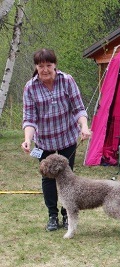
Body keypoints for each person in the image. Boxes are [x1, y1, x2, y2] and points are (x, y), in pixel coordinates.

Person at [21, 48, 91, 231]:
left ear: (55, 65)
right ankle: (52, 215)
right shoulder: (30, 87)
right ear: (36, 66)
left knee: (68, 177)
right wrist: (28, 139)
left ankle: (67, 214)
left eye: (48, 65)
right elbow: (29, 118)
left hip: (67, 137)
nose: (44, 69)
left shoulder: (67, 81)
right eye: (40, 65)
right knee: (48, 178)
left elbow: (78, 109)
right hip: (44, 142)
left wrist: (84, 126)